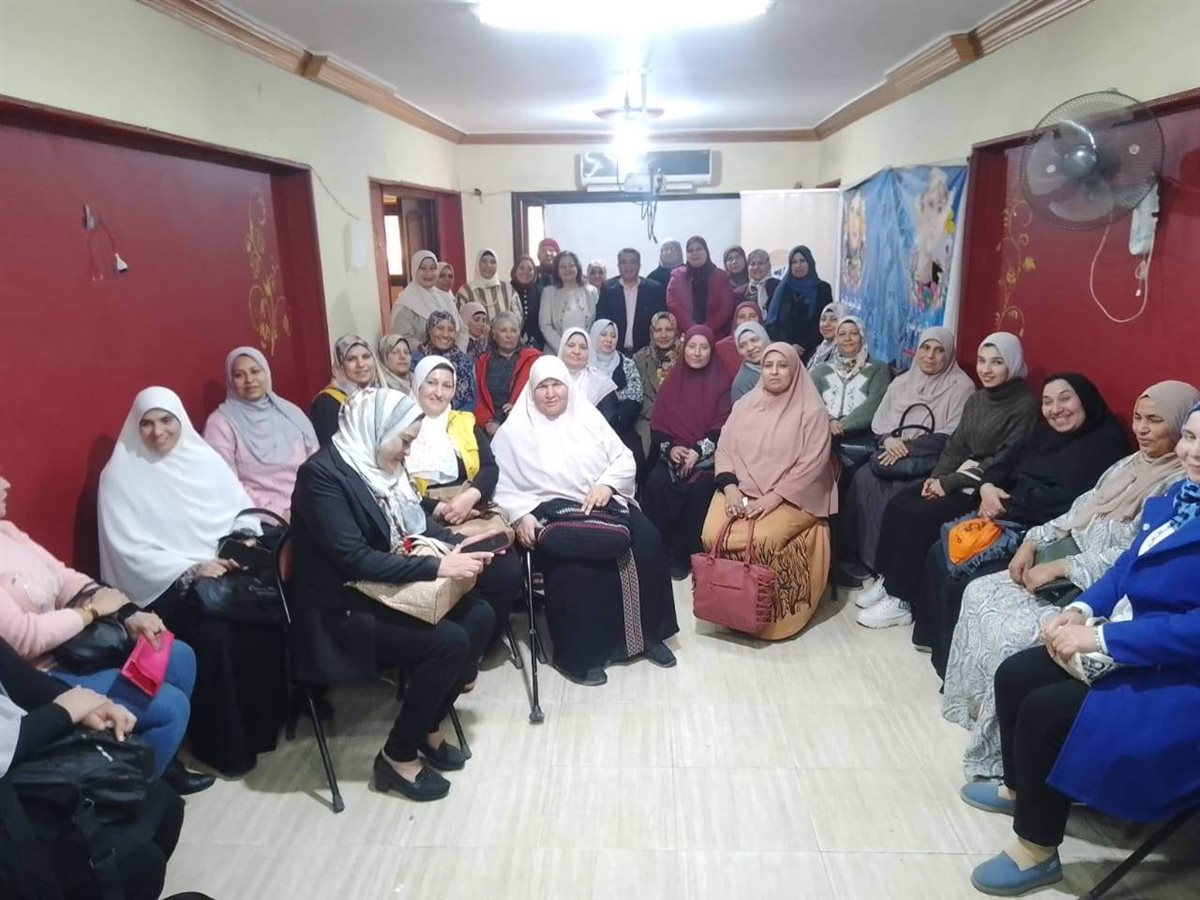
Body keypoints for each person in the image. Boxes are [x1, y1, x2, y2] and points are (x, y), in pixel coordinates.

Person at [959, 404, 1200, 896]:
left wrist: (1103, 638)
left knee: (1047, 712)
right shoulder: (1179, 498)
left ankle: (1036, 850)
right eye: (1191, 437)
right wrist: (1082, 609)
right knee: (1016, 674)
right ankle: (1021, 789)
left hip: (1181, 673)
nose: (1192, 452)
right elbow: (1126, 568)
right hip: (1142, 642)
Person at [943, 380, 1199, 781]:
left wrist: (1064, 572)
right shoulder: (1134, 468)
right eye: (1138, 418)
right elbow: (1079, 512)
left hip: (1097, 588)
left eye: (1156, 420)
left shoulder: (1175, 483)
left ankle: (1009, 763)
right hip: (1079, 576)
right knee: (979, 590)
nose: (1143, 429)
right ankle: (982, 722)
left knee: (1016, 636)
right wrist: (1033, 541)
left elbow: (1128, 560)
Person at [289, 388, 496, 802]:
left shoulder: (381, 466)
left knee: (480, 616)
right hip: (339, 609)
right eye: (404, 441)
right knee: (448, 643)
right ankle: (397, 755)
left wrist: (460, 544)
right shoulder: (321, 477)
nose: (407, 451)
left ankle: (427, 726)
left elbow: (413, 523)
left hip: (383, 590)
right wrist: (438, 566)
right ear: (377, 430)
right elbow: (355, 560)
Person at [98, 387, 287, 776]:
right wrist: (192, 568)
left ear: (180, 420)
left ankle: (266, 728)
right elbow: (128, 552)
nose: (158, 432)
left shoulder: (204, 460)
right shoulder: (119, 476)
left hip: (225, 572)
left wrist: (238, 543)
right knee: (217, 632)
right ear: (135, 427)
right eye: (147, 423)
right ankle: (226, 749)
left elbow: (242, 511)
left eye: (167, 420)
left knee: (258, 617)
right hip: (164, 588)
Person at [887, 373, 1129, 654]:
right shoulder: (1041, 432)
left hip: (1041, 532)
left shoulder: (1105, 445)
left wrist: (1007, 506)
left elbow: (1070, 504)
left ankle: (956, 654)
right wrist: (988, 487)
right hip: (1006, 515)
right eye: (1048, 402)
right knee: (940, 552)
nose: (1055, 409)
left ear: (1085, 400)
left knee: (964, 578)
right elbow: (1003, 462)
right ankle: (935, 644)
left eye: (1065, 399)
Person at [0, 474, 210, 793]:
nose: (6, 484)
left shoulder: (7, 532)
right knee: (172, 709)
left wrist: (128, 613)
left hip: (73, 646)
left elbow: (66, 578)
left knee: (178, 655)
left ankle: (162, 763)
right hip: (39, 674)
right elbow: (24, 639)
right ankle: (132, 798)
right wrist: (91, 612)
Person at [492, 357, 679, 686]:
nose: (551, 393)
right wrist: (521, 516)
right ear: (531, 392)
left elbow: (623, 457)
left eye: (557, 385)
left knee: (647, 544)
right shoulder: (512, 434)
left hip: (602, 499)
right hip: (549, 510)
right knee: (575, 566)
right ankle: (579, 656)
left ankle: (647, 636)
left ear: (568, 387)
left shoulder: (588, 418)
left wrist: (607, 484)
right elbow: (500, 487)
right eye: (543, 387)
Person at [854, 333, 1039, 628]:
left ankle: (903, 600)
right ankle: (889, 581)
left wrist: (948, 483)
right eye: (982, 361)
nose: (986, 369)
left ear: (1013, 364)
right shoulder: (979, 399)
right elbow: (956, 445)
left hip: (986, 485)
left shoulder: (1024, 406)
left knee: (920, 517)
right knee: (900, 503)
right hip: (956, 475)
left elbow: (1003, 459)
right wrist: (936, 478)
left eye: (997, 362)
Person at [0, 639, 185, 900]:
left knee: (164, 802)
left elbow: (18, 677)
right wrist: (63, 712)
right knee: (139, 863)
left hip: (27, 760)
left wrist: (91, 705)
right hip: (12, 805)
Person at [702, 343, 839, 639]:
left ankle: (773, 619)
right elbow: (724, 448)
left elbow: (813, 463)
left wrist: (775, 497)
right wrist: (730, 487)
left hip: (795, 495)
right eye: (768, 365)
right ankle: (730, 610)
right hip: (741, 488)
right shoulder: (745, 405)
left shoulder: (811, 410)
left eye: (782, 365)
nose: (774, 372)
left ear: (795, 369)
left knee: (762, 539)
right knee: (713, 534)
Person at [837, 327, 975, 590]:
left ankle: (885, 567)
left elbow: (954, 434)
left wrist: (909, 448)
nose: (930, 356)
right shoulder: (901, 382)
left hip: (929, 458)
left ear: (949, 354)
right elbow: (881, 421)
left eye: (939, 350)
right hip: (892, 452)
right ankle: (862, 558)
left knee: (897, 494)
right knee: (863, 480)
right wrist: (890, 441)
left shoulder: (961, 386)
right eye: (925, 348)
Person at [406, 357, 523, 628]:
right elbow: (393, 483)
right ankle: (449, 635)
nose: (439, 392)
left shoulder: (464, 422)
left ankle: (485, 637)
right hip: (419, 515)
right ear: (418, 384)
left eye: (447, 385)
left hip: (469, 510)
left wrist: (470, 497)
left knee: (505, 566)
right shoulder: (400, 425)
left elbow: (489, 467)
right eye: (431, 383)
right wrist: (437, 508)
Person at [641, 326, 733, 579]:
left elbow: (722, 427)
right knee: (656, 482)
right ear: (684, 349)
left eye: (704, 347)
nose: (697, 353)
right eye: (692, 346)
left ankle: (686, 557)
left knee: (700, 490)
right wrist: (671, 449)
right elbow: (659, 425)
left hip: (707, 458)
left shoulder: (723, 382)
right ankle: (656, 554)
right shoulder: (673, 382)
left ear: (712, 350)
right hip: (674, 453)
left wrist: (696, 452)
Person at [204, 346, 319, 519]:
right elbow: (226, 482)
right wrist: (277, 514)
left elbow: (316, 464)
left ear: (266, 372)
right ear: (230, 380)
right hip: (261, 518)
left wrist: (317, 503)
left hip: (310, 507)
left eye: (255, 371)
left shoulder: (291, 413)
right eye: (239, 375)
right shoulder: (220, 423)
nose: (249, 380)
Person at [810, 316, 892, 464]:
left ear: (862, 337)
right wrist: (829, 421)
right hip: (821, 433)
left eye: (854, 333)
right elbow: (811, 401)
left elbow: (874, 403)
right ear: (836, 339)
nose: (847, 338)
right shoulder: (820, 371)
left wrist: (843, 425)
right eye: (842, 334)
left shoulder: (878, 369)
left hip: (859, 438)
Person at [589, 318, 645, 468]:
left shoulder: (626, 363)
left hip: (621, 424)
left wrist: (618, 421)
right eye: (603, 335)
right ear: (594, 336)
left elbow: (635, 395)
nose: (609, 340)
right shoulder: (585, 364)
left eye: (613, 336)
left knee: (634, 456)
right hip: (590, 428)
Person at [310, 333, 383, 447]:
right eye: (351, 359)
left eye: (366, 356)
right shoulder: (327, 402)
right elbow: (332, 447)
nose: (361, 364)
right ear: (340, 365)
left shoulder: (379, 394)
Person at [474, 311, 541, 436]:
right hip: (492, 423)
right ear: (494, 335)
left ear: (519, 335)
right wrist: (487, 422)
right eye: (503, 330)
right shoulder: (482, 362)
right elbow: (477, 397)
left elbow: (542, 394)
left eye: (513, 331)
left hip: (526, 422)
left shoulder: (533, 359)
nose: (509, 335)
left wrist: (520, 409)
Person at [765, 245, 834, 362]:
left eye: (802, 261)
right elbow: (771, 324)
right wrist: (790, 345)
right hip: (785, 352)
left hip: (814, 352)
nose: (798, 265)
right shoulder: (781, 290)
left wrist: (802, 347)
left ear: (810, 263)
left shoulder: (822, 289)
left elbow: (823, 321)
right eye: (794, 262)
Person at [594, 247, 666, 353]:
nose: (628, 266)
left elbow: (660, 322)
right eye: (623, 262)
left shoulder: (654, 289)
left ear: (639, 265)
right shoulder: (607, 289)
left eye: (632, 262)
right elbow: (601, 321)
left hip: (646, 352)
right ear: (618, 266)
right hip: (614, 351)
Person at [632, 311, 681, 461]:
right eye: (658, 330)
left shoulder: (685, 356)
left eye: (669, 329)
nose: (663, 335)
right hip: (649, 421)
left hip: (679, 421)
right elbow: (638, 397)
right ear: (652, 333)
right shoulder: (640, 358)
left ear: (676, 331)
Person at [390, 250, 463, 350]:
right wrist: (431, 351)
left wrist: (457, 350)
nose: (428, 273)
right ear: (414, 270)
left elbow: (461, 330)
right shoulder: (405, 303)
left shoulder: (445, 298)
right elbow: (403, 338)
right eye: (423, 268)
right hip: (421, 356)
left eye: (433, 268)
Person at [666, 236, 736, 338]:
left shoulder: (721, 276)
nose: (695, 253)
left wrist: (705, 330)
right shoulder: (678, 275)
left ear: (706, 251)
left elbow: (726, 308)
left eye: (699, 249)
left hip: (715, 336)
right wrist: (692, 330)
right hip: (685, 336)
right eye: (690, 251)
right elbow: (673, 304)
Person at [412, 311, 477, 413]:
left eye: (450, 330)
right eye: (440, 328)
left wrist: (452, 417)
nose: (445, 335)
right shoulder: (417, 359)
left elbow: (470, 400)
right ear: (429, 330)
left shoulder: (464, 361)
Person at [539, 250, 598, 352]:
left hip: (584, 352)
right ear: (557, 271)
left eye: (571, 265)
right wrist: (564, 349)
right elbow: (545, 325)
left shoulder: (591, 291)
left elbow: (595, 324)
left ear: (577, 268)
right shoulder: (548, 293)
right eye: (563, 267)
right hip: (556, 352)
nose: (567, 269)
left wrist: (582, 349)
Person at [556, 327, 618, 421]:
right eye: (571, 345)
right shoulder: (548, 378)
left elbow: (608, 420)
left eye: (583, 347)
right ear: (562, 348)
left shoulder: (601, 383)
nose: (577, 351)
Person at [456, 249, 523, 321]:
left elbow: (518, 318)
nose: (488, 265)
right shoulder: (465, 291)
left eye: (493, 262)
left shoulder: (507, 289)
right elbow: (460, 320)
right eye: (484, 261)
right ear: (477, 264)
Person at [714, 300, 764, 376]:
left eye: (752, 316)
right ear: (735, 321)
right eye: (742, 317)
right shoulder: (722, 347)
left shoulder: (772, 346)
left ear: (760, 319)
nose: (747, 320)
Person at [730, 322, 770, 403]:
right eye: (742, 345)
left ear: (764, 338)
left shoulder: (785, 362)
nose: (750, 348)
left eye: (754, 340)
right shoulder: (742, 384)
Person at [510, 253, 544, 348]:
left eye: (530, 269)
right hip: (511, 344)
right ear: (515, 270)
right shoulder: (508, 290)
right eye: (521, 268)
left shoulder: (541, 291)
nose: (526, 272)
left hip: (537, 345)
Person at [805, 302, 850, 371]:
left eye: (833, 319)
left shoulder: (845, 353)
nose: (826, 324)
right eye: (823, 319)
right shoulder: (819, 348)